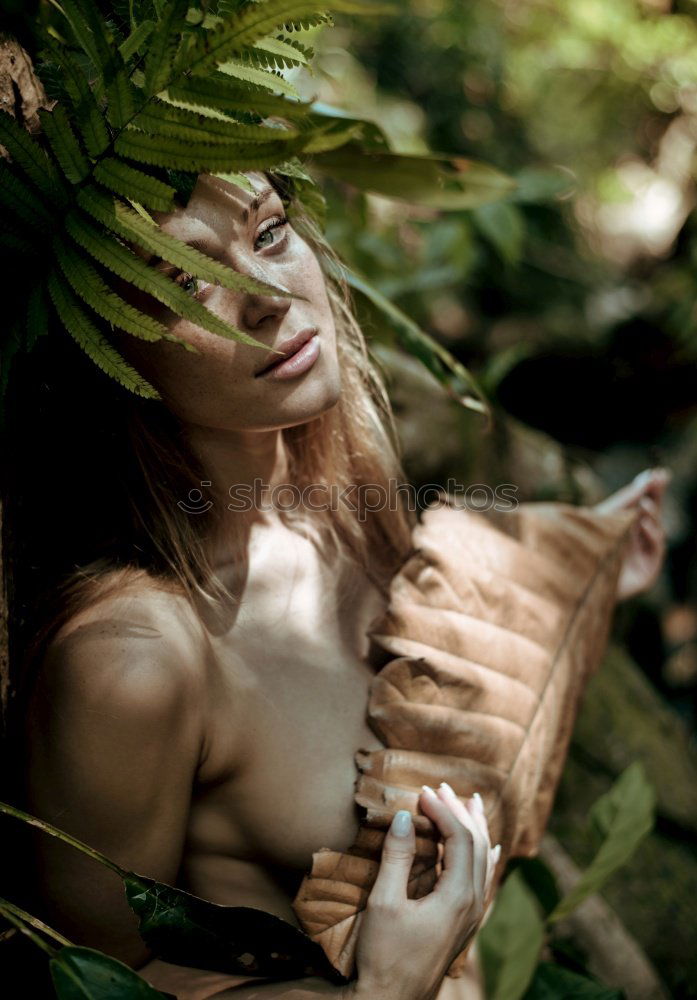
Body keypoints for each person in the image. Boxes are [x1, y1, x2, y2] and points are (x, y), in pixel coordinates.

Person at [13, 170, 669, 1000]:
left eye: (269, 233)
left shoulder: (352, 516)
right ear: (102, 343)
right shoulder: (133, 664)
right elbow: (94, 983)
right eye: (187, 278)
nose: (264, 297)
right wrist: (385, 990)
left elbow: (439, 686)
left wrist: (583, 563)